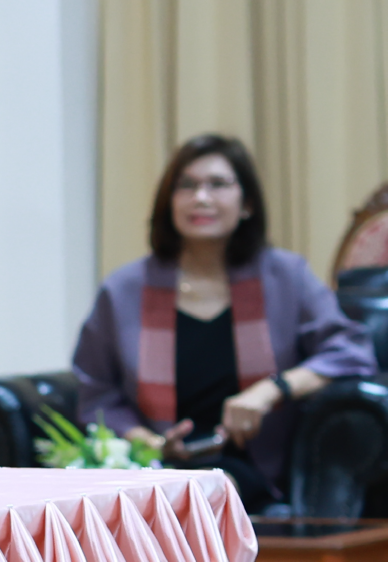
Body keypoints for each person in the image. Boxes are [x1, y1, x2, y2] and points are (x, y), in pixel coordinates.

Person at [73, 134, 375, 511]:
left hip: (253, 468)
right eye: (187, 186)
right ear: (169, 203)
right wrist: (148, 442)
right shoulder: (124, 290)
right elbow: (96, 392)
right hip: (158, 468)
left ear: (246, 203)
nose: (201, 197)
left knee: (205, 493)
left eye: (217, 184)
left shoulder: (286, 276)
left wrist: (269, 391)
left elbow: (350, 352)